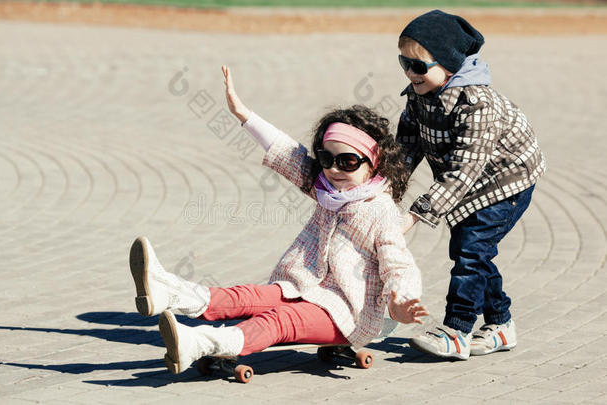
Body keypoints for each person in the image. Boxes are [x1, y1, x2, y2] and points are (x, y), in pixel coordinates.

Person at [128, 65, 427, 374]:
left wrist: (401, 300)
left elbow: (398, 265)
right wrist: (243, 113)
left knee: (278, 321)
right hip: (303, 288)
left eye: (348, 161)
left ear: (374, 163)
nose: (335, 169)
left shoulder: (381, 211)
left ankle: (201, 343)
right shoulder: (327, 188)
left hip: (347, 313)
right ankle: (169, 292)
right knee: (250, 297)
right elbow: (288, 153)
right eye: (327, 158)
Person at [391, 10, 546, 360]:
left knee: (470, 252)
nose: (409, 72)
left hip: (507, 182)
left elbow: (463, 171)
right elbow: (405, 149)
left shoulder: (476, 103)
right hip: (468, 184)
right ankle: (501, 325)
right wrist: (383, 193)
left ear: (448, 63)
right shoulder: (418, 95)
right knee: (474, 251)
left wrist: (413, 217)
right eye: (403, 62)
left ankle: (457, 330)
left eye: (418, 66)